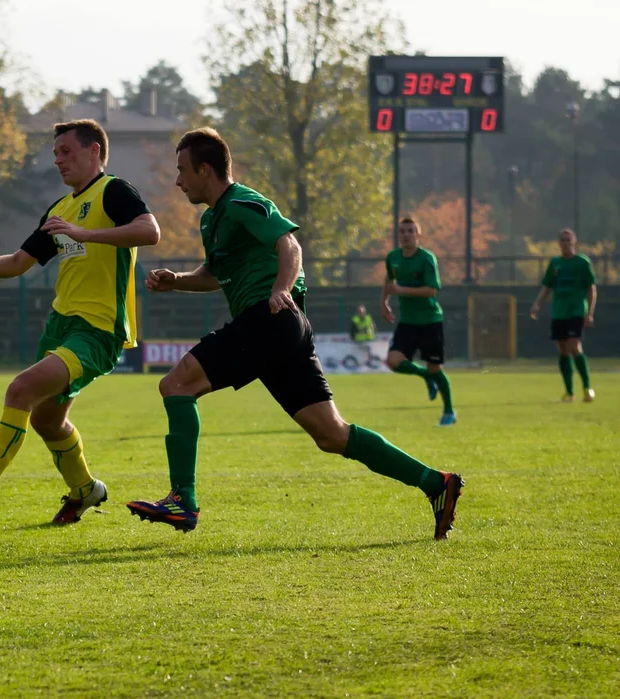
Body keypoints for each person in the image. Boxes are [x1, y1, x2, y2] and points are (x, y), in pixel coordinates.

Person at [125, 127, 463, 539]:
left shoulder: (243, 201)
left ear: (205, 169)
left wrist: (281, 287)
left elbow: (290, 245)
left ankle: (183, 499)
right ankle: (436, 483)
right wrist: (175, 279)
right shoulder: (213, 218)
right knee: (332, 434)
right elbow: (215, 275)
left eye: (182, 170)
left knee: (176, 385)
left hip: (269, 320)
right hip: (279, 329)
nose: (177, 181)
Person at [0, 119, 160, 528]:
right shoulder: (59, 210)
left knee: (20, 389)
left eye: (66, 152)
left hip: (99, 328)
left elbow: (150, 231)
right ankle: (86, 490)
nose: (58, 160)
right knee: (45, 420)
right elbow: (19, 262)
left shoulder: (114, 191)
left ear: (94, 151)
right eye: (55, 154)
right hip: (61, 324)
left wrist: (84, 234)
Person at [381, 218, 456, 426]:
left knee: (435, 368)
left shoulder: (426, 258)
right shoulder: (393, 258)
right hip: (408, 322)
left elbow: (432, 290)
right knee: (393, 362)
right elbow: (389, 280)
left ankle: (449, 411)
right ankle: (425, 376)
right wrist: (384, 303)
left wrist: (401, 290)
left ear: (418, 235)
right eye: (402, 231)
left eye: (410, 231)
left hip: (430, 320)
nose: (406, 234)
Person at [529, 228, 597, 402]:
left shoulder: (582, 262)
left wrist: (589, 313)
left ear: (574, 242)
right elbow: (547, 286)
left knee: (574, 346)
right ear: (559, 243)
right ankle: (569, 392)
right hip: (559, 312)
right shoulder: (555, 263)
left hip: (576, 311)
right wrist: (537, 304)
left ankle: (587, 388)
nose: (565, 243)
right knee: (563, 350)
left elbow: (591, 288)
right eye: (562, 240)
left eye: (568, 240)